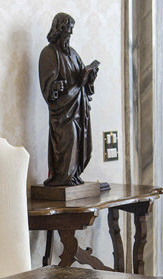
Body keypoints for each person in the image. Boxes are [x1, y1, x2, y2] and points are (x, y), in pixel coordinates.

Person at [39, 12, 99, 186]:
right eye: (68, 29)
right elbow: (48, 86)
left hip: (78, 106)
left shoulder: (73, 54)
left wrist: (90, 77)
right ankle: (63, 177)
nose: (71, 33)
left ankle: (73, 175)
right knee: (69, 138)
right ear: (59, 29)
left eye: (72, 29)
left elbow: (83, 82)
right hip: (63, 111)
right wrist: (57, 87)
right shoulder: (49, 53)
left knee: (81, 141)